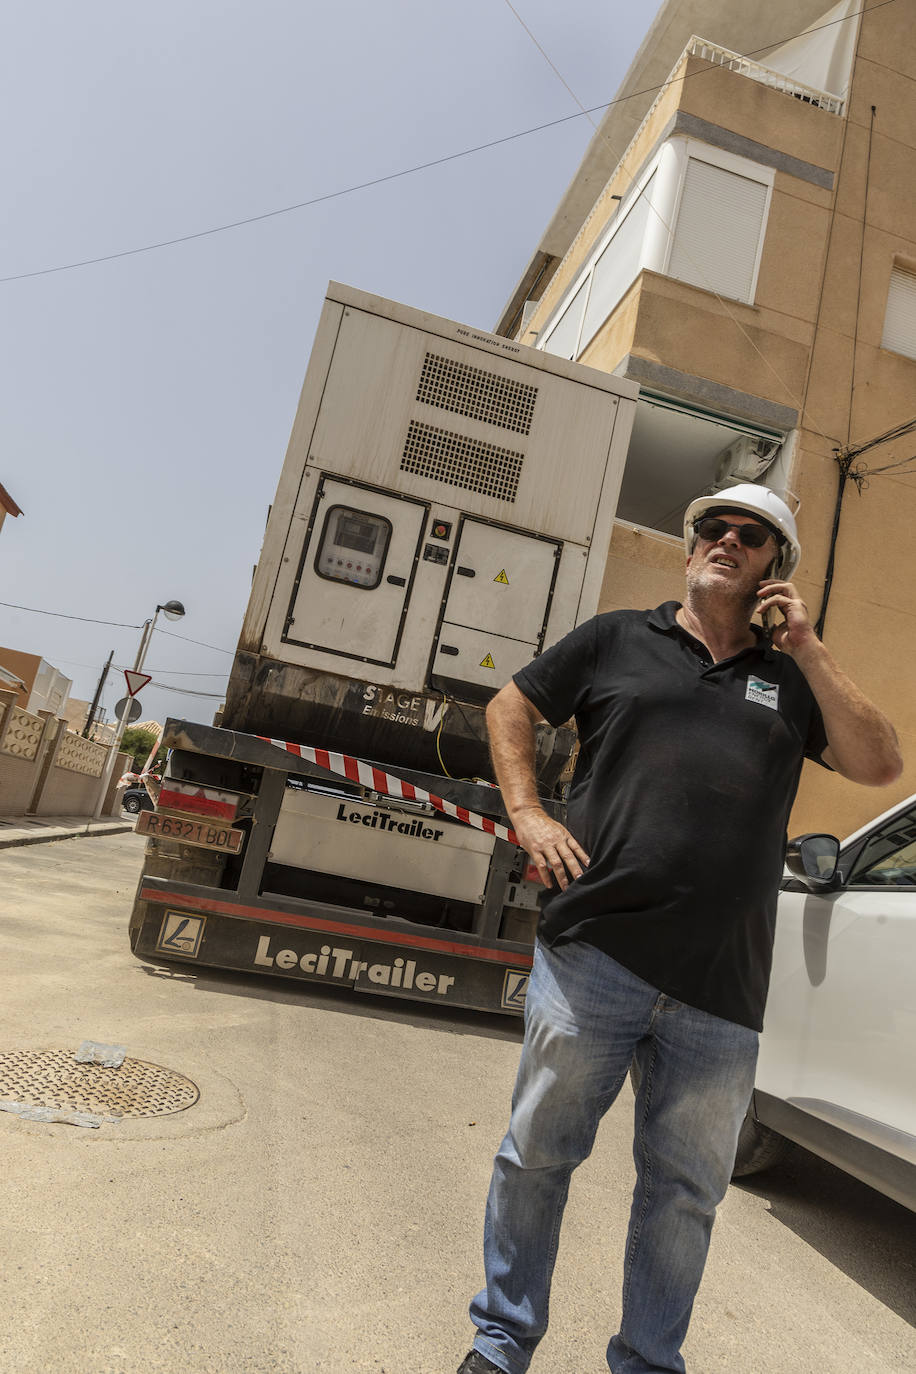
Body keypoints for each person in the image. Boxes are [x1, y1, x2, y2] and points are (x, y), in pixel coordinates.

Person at [458, 485, 901, 1374]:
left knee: (684, 1195)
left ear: (776, 565)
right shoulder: (619, 637)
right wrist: (528, 812)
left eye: (753, 536)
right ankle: (502, 1344)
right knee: (538, 1156)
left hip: (721, 987)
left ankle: (648, 1363)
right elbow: (510, 708)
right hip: (596, 956)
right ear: (690, 545)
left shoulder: (790, 679)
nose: (728, 542)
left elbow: (881, 762)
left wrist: (807, 647)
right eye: (714, 529)